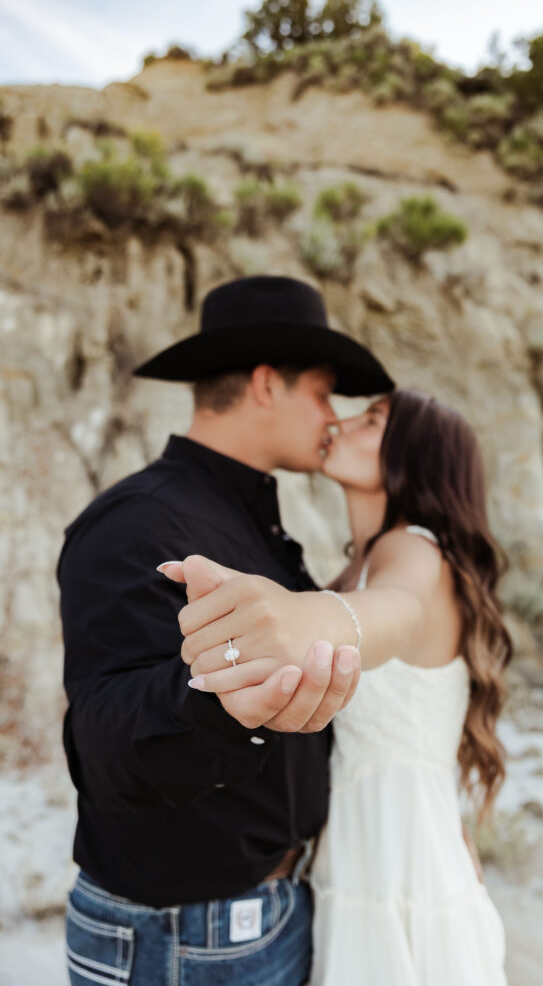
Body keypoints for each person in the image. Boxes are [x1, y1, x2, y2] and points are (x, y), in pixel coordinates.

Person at [58, 275, 395, 986]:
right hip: (186, 934)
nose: (332, 416)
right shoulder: (141, 521)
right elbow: (101, 735)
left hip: (257, 913)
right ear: (267, 385)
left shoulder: (248, 519)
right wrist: (214, 702)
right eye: (322, 392)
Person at [165, 389, 512, 985]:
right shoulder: (357, 567)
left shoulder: (412, 551)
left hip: (400, 864)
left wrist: (303, 621)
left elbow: (396, 610)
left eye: (372, 420)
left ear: (417, 456)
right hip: (365, 850)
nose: (342, 423)